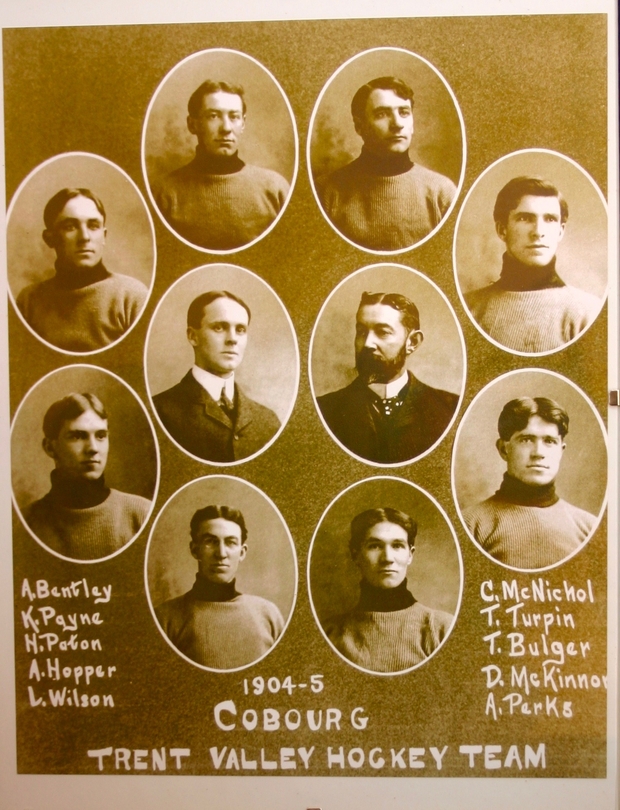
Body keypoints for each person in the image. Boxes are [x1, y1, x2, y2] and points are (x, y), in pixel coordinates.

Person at [316, 76, 457, 251]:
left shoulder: (442, 192)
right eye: (381, 114)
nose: (397, 124)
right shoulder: (327, 191)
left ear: (412, 123)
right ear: (359, 127)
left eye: (404, 112)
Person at [316, 291, 458, 464]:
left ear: (412, 342)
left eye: (382, 332)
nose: (367, 344)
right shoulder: (324, 410)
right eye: (361, 332)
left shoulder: (450, 409)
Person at [464, 176, 602, 353]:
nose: (538, 232)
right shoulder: (469, 308)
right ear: (502, 230)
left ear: (560, 231)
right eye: (525, 218)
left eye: (550, 219)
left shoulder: (588, 312)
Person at [463, 397, 597, 569]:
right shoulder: (471, 524)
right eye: (526, 439)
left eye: (549, 441)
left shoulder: (589, 527)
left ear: (561, 451)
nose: (538, 453)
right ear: (504, 449)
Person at [155, 80, 290, 250]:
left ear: (243, 124)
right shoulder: (164, 194)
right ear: (193, 124)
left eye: (234, 117)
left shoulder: (275, 189)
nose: (226, 128)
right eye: (213, 116)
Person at [152, 290, 281, 462]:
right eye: (219, 327)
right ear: (193, 336)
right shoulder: (157, 413)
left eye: (240, 329)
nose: (232, 339)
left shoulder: (269, 421)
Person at [16, 188, 148, 352]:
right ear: (50, 238)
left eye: (93, 226)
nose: (84, 237)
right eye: (70, 227)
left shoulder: (131, 297)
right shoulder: (28, 301)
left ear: (104, 236)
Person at [21, 393, 151, 560]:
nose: (93, 448)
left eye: (101, 436)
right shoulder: (24, 523)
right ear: (50, 447)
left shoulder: (141, 514)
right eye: (77, 436)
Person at [323, 507, 453, 673]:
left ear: (410, 555)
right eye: (375, 546)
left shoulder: (441, 629)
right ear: (355, 554)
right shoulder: (330, 633)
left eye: (397, 545)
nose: (387, 558)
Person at [155, 505, 284, 669]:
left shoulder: (268, 614)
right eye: (210, 542)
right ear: (195, 550)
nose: (221, 553)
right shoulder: (165, 619)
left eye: (230, 542)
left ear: (242, 552)